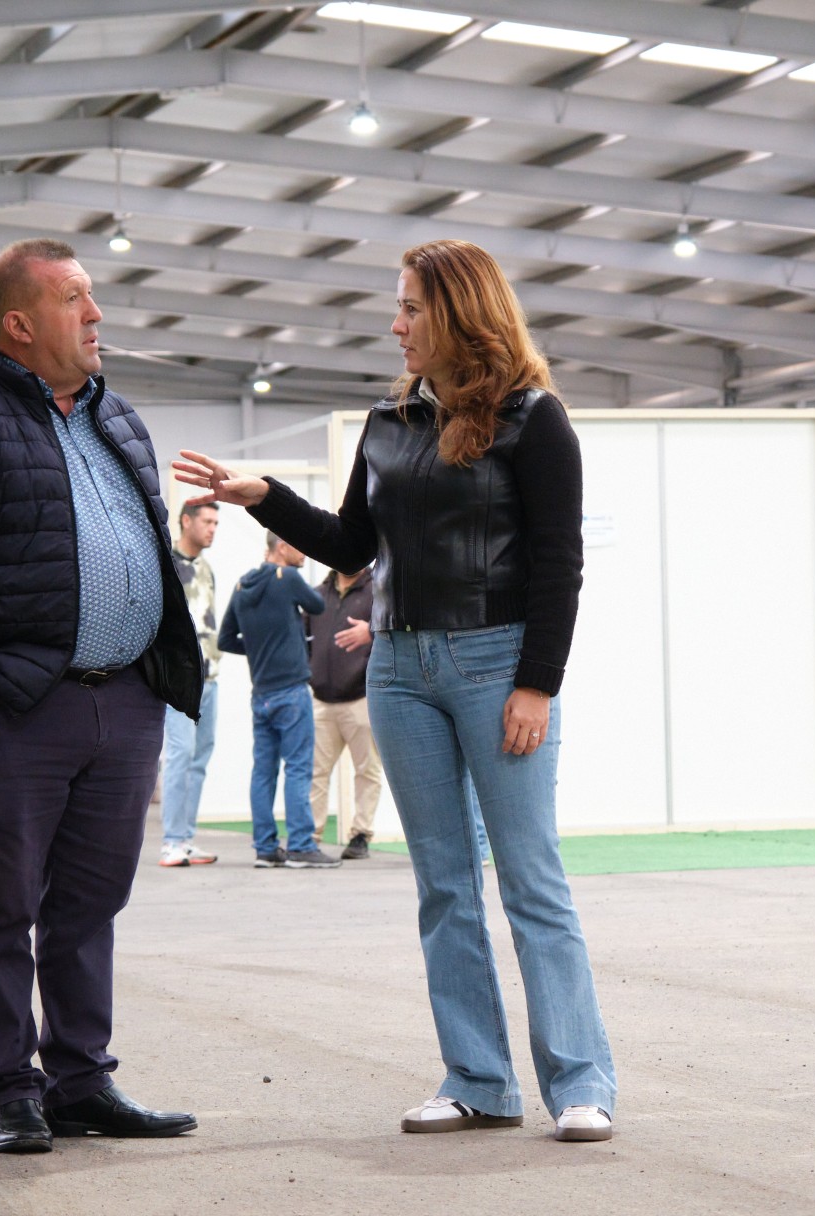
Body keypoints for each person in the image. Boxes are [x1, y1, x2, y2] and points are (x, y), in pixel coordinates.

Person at [175, 238, 616, 1143]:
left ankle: (580, 1081)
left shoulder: (536, 420)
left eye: (411, 306)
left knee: (531, 880)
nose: (396, 323)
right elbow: (348, 544)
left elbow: (558, 566)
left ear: (459, 311)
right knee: (443, 885)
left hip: (499, 666)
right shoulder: (389, 423)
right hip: (401, 670)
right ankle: (477, 1080)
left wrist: (537, 684)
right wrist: (264, 496)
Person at [0, 237, 200, 1155]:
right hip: (17, 706)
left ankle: (80, 1078)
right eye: (76, 300)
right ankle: (9, 1086)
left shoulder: (120, 420)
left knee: (90, 901)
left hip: (125, 700)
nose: (97, 316)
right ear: (19, 324)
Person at [218, 534, 338, 869]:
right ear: (282, 547)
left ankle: (266, 848)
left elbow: (227, 639)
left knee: (263, 772)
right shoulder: (289, 579)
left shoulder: (242, 586)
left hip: (261, 695)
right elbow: (318, 606)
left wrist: (258, 650)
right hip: (292, 692)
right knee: (299, 768)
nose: (304, 552)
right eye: (298, 545)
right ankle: (300, 845)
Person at [306, 566, 383, 861]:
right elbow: (304, 637)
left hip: (360, 698)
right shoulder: (317, 595)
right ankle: (310, 835)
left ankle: (360, 835)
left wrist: (371, 632)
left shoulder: (378, 590)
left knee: (367, 770)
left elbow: (393, 632)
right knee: (316, 772)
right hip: (322, 700)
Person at [160, 503, 222, 867]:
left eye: (216, 522)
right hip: (180, 679)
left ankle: (185, 838)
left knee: (199, 758)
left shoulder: (206, 568)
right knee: (180, 754)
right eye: (207, 521)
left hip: (210, 677)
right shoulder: (167, 564)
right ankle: (170, 841)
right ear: (186, 521)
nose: (213, 528)